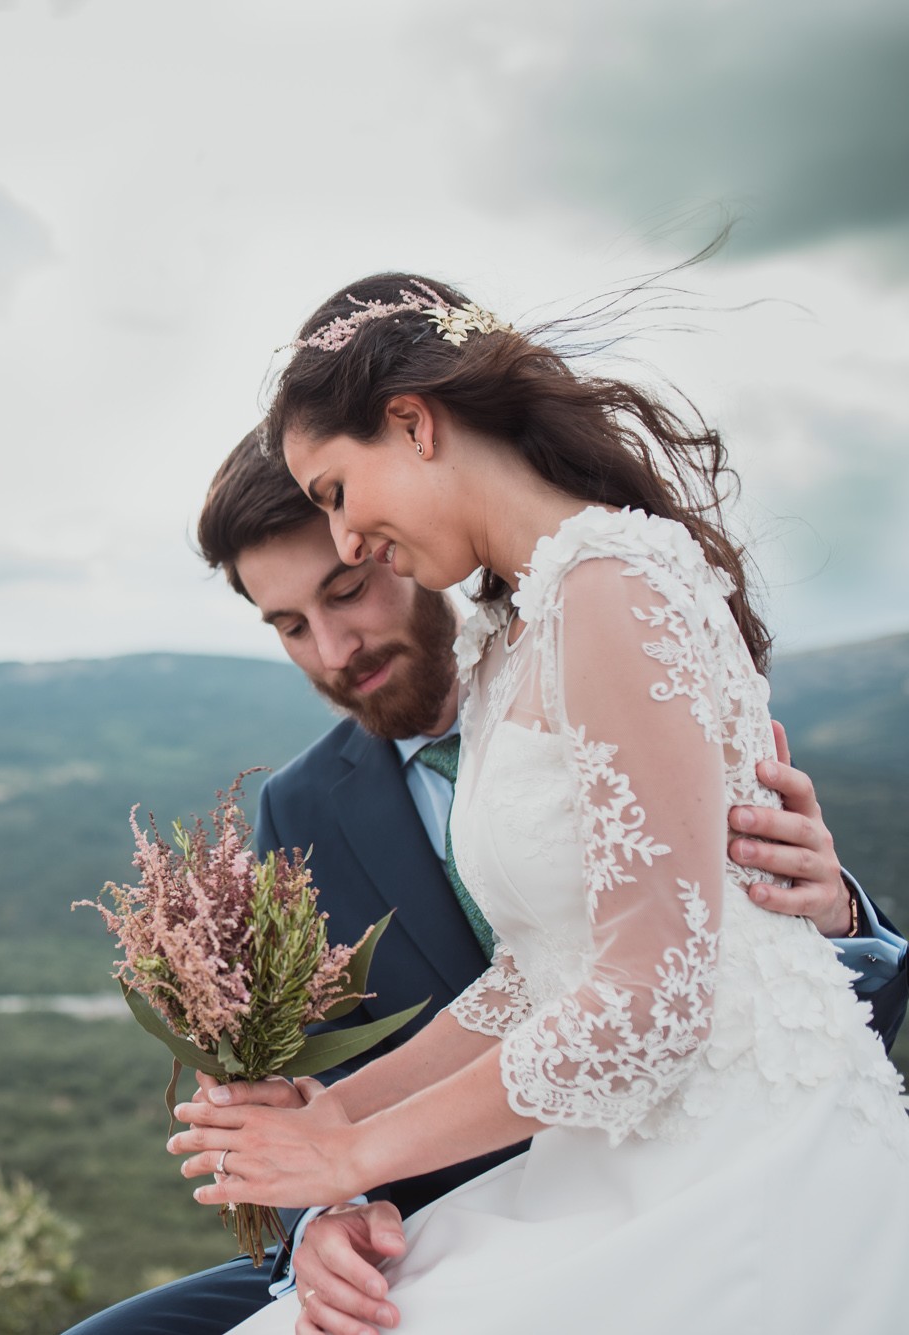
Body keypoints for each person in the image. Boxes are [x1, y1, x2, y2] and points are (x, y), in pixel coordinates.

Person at [161, 274, 909, 1335]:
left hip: (728, 1162)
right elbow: (540, 973)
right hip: (598, 1162)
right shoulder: (515, 633)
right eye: (292, 620)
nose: (346, 538)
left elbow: (647, 1001)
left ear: (411, 424)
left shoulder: (612, 584)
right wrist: (330, 1115)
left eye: (332, 491)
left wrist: (348, 1152)